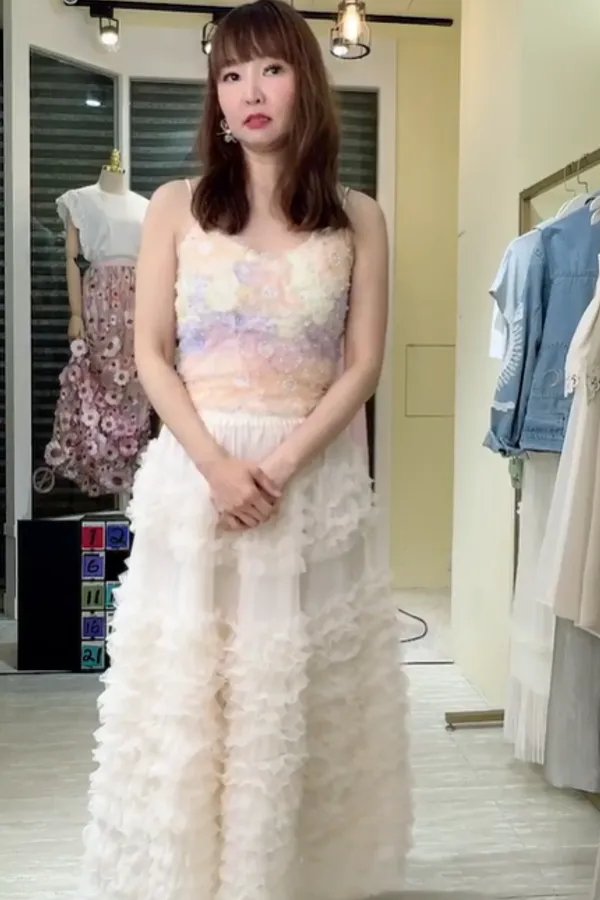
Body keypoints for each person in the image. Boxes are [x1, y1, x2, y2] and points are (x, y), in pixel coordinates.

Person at [79, 2, 412, 898]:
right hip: (200, 475)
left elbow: (363, 365)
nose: (249, 91)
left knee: (299, 694)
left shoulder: (359, 217)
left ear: (307, 81)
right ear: (216, 99)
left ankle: (284, 878)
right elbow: (152, 354)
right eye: (230, 74)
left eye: (270, 68)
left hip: (312, 480)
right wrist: (218, 468)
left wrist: (282, 466)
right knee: (195, 688)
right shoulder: (176, 207)